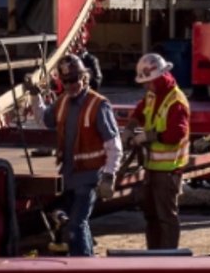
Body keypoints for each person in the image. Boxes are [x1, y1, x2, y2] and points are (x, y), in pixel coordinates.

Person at [37, 54, 122, 256]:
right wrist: (35, 96)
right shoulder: (63, 102)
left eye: (74, 79)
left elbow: (114, 144)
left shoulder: (98, 105)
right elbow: (44, 120)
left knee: (76, 224)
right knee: (67, 220)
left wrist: (109, 175)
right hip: (70, 177)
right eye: (66, 81)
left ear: (85, 77)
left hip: (90, 177)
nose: (71, 85)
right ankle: (83, 260)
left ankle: (84, 266)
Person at [125, 52, 191, 250]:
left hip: (169, 169)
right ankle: (153, 255)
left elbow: (176, 134)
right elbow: (140, 110)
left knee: (166, 217)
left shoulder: (176, 101)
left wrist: (147, 137)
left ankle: (168, 258)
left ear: (160, 77)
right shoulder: (154, 94)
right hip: (153, 167)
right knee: (152, 215)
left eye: (148, 82)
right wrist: (130, 127)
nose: (146, 86)